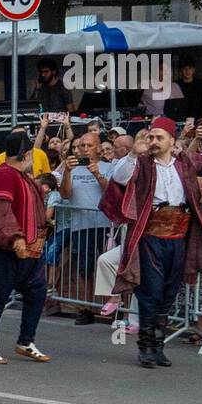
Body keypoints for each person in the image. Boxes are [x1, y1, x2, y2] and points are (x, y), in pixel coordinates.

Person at [101, 112, 202, 368]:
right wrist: (134, 152)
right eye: (151, 136)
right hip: (150, 237)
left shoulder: (184, 162)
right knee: (150, 293)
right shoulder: (142, 163)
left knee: (168, 294)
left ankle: (158, 347)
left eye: (159, 137)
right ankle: (145, 348)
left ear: (170, 140)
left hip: (178, 237)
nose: (153, 141)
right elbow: (119, 177)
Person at [0, 131, 50, 364]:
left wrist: (38, 235)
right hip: (2, 249)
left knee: (37, 291)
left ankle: (26, 341)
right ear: (26, 154)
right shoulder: (4, 175)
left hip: (27, 249)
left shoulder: (22, 177)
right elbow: (1, 211)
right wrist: (15, 238)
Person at [55, 130, 114, 324]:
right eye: (82, 146)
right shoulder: (71, 169)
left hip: (106, 224)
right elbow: (64, 194)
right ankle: (86, 309)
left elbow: (112, 194)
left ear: (98, 147)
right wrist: (68, 172)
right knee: (84, 269)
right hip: (81, 226)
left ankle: (111, 308)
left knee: (108, 267)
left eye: (89, 146)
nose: (85, 149)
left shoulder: (109, 167)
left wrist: (97, 175)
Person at [172, 56, 202, 122]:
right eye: (184, 68)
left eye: (190, 68)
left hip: (198, 120)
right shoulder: (175, 84)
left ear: (194, 69)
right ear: (180, 70)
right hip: (179, 122)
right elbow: (168, 104)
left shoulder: (201, 83)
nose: (187, 71)